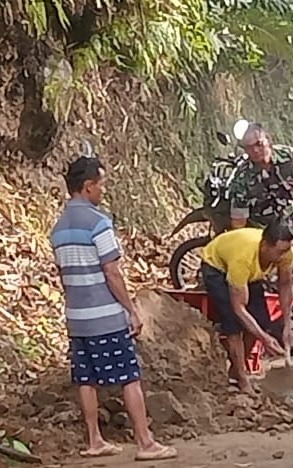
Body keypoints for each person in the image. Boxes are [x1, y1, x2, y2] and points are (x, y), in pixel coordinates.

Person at [50, 156, 176, 461]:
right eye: (101, 184)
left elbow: (63, 276)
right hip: (104, 316)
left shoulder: (59, 228)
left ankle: (95, 440)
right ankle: (145, 442)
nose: (103, 190)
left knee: (86, 379)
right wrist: (130, 309)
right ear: (88, 186)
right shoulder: (98, 223)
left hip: (76, 316)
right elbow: (112, 272)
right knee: (129, 377)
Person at [200, 220, 293, 394]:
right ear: (265, 246)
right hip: (217, 267)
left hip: (250, 275)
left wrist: (287, 324)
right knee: (233, 324)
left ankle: (236, 371)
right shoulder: (243, 257)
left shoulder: (286, 252)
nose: (284, 256)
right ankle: (242, 380)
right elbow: (239, 309)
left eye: (287, 251)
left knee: (261, 320)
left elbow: (285, 284)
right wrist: (265, 339)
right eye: (280, 252)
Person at [229, 122, 293, 243]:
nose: (255, 150)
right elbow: (239, 219)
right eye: (249, 147)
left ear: (268, 139)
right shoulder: (242, 177)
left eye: (259, 144)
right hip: (262, 236)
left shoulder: (291, 156)